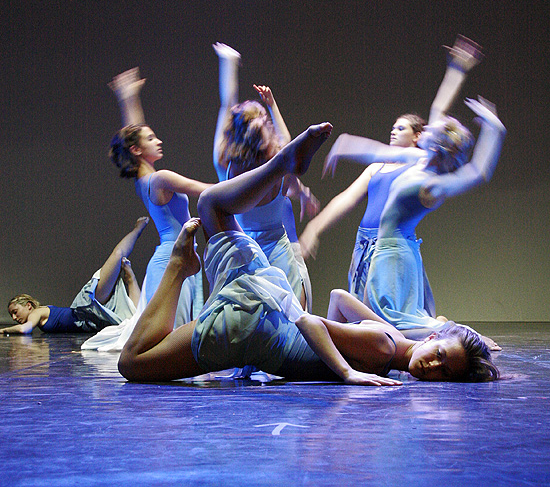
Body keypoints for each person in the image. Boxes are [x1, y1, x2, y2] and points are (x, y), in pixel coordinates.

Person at [117, 125, 499, 385]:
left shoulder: (389, 337)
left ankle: (278, 167)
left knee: (212, 204)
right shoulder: (384, 346)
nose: (433, 366)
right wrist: (345, 373)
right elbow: (310, 324)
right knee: (131, 363)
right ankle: (179, 267)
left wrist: (331, 365)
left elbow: (338, 300)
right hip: (252, 336)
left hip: (263, 311)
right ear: (433, 336)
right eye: (440, 354)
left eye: (444, 371)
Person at [300, 35, 484, 322]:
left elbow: (439, 109)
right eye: (393, 127)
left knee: (391, 315)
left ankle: (440, 334)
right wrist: (314, 228)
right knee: (363, 313)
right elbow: (345, 200)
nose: (394, 131)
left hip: (391, 247)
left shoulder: (420, 164)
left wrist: (457, 69)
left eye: (401, 128)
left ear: (420, 136)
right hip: (365, 242)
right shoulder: (378, 167)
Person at [323, 94, 506, 335]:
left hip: (393, 254)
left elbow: (478, 172)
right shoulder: (418, 158)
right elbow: (378, 152)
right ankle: (447, 332)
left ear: (437, 145)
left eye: (433, 129)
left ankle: (455, 334)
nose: (427, 126)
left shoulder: (432, 185)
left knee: (386, 321)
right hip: (388, 249)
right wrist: (344, 146)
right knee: (378, 318)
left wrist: (495, 129)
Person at [81, 68, 212, 351]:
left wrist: (128, 98)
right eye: (152, 139)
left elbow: (134, 137)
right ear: (138, 150)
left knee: (167, 329)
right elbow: (207, 189)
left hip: (171, 257)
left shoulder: (144, 180)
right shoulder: (160, 179)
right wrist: (262, 176)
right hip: (171, 260)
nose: (159, 140)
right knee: (167, 333)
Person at [212, 43, 318, 311]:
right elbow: (288, 146)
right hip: (278, 253)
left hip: (247, 252)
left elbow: (227, 105)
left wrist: (229, 65)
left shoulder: (227, 167)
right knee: (290, 319)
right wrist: (272, 106)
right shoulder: (279, 168)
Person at [2, 217, 149, 335]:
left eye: (15, 312)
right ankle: (129, 276)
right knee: (135, 318)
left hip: (88, 307)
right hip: (93, 319)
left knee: (117, 255)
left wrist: (2, 330)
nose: (14, 318)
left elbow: (24, 330)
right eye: (12, 316)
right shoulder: (39, 316)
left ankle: (138, 228)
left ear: (28, 306)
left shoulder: (37, 312)